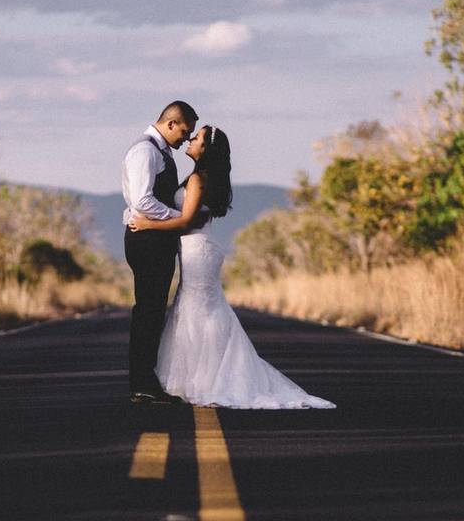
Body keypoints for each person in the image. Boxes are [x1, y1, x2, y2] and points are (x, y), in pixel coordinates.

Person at [129, 125, 336, 409]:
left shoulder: (197, 181)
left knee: (199, 310)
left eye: (197, 137)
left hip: (197, 250)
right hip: (196, 248)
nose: (191, 139)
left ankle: (208, 379)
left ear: (206, 149)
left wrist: (147, 223)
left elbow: (188, 221)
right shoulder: (198, 178)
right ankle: (197, 376)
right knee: (195, 309)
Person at [121, 101, 197, 405]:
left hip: (155, 239)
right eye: (184, 131)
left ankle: (146, 380)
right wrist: (177, 219)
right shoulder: (146, 151)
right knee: (148, 311)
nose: (185, 139)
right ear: (171, 123)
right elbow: (142, 201)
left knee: (153, 312)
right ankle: (141, 383)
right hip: (147, 240)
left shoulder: (159, 151)